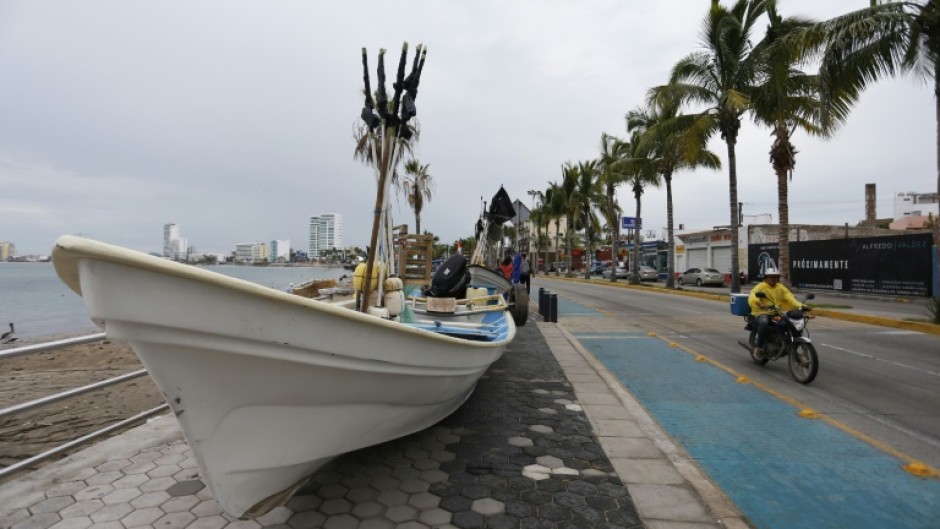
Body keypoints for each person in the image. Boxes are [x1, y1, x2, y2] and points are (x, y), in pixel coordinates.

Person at [747, 267, 806, 359]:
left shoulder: (781, 287)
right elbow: (752, 296)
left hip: (776, 312)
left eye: (776, 277)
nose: (774, 279)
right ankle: (760, 348)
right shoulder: (760, 287)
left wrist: (801, 306)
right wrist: (759, 303)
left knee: (790, 322)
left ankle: (788, 342)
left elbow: (790, 298)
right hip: (761, 312)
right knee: (764, 322)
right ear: (766, 278)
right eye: (771, 277)